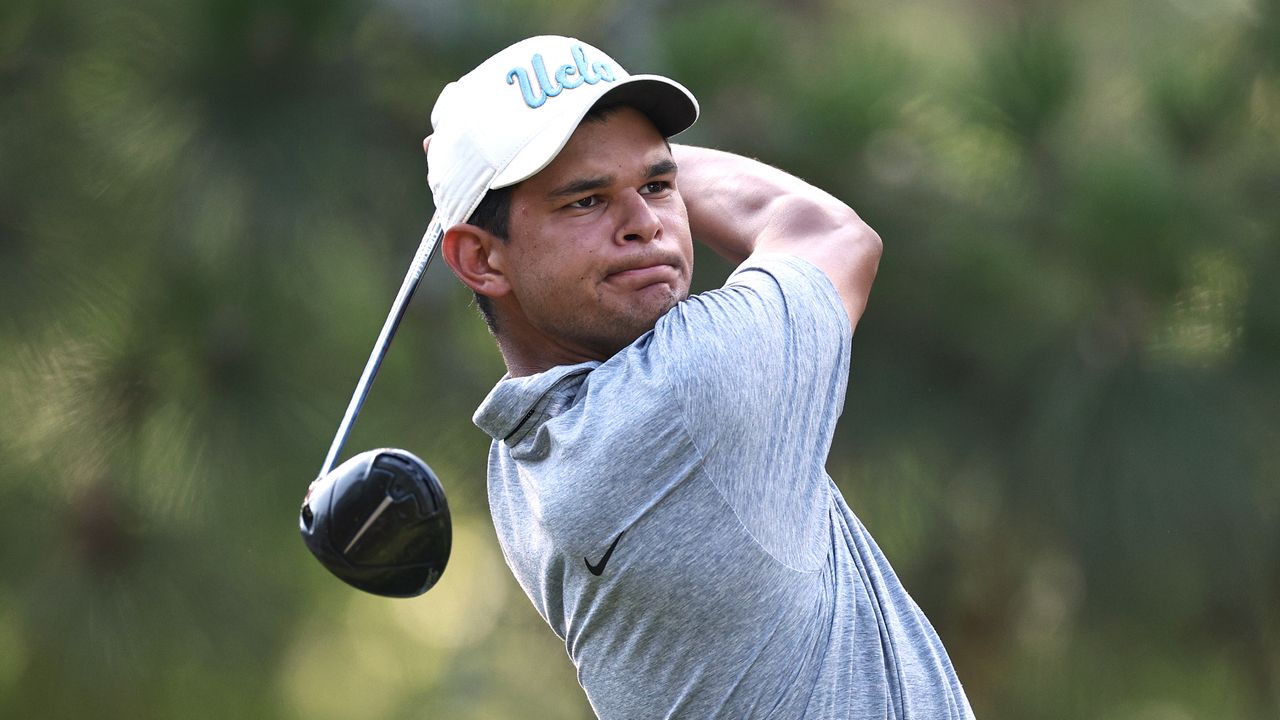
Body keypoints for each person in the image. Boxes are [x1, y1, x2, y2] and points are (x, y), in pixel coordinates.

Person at [425, 35, 975, 719]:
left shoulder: (516, 468)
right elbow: (827, 231)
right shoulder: (683, 394)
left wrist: (503, 165)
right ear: (479, 260)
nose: (645, 223)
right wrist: (628, 158)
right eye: (586, 201)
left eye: (657, 185)